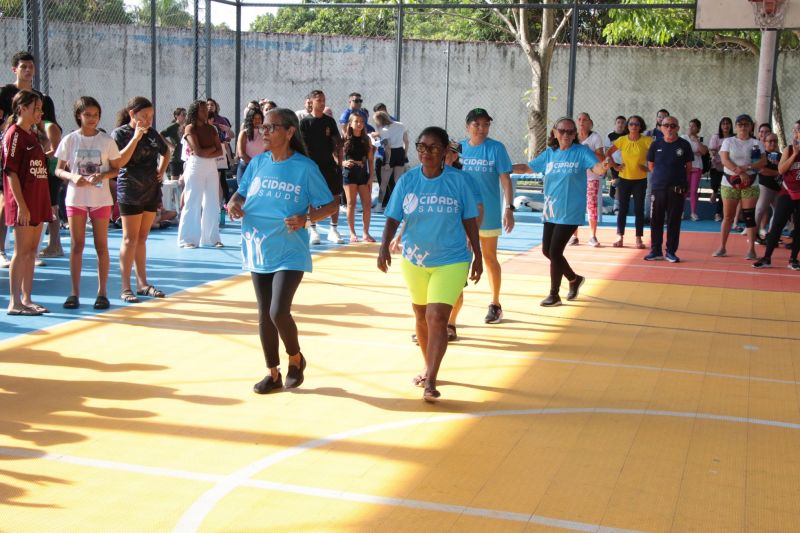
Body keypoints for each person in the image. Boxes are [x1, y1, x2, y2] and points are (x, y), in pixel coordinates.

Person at [227, 108, 338, 394]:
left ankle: (295, 358)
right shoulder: (258, 163)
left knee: (278, 311)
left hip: (290, 249)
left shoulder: (305, 168)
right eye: (263, 127)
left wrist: (308, 219)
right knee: (264, 313)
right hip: (257, 245)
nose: (264, 132)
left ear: (289, 132)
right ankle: (272, 373)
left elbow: (331, 205)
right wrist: (234, 203)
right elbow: (241, 192)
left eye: (271, 127)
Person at [378, 126, 482, 402]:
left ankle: (431, 380)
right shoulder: (408, 181)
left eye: (434, 147)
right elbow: (392, 217)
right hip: (415, 259)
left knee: (437, 317)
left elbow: (470, 219)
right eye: (421, 147)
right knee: (421, 315)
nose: (426, 153)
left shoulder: (459, 181)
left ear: (446, 150)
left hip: (451, 259)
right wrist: (383, 248)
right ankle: (428, 365)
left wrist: (478, 256)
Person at [513, 117, 608, 307]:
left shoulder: (581, 152)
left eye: (570, 132)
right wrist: (503, 168)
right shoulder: (550, 154)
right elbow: (527, 167)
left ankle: (554, 294)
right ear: (555, 133)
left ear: (575, 135)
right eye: (562, 131)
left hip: (570, 210)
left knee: (555, 251)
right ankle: (574, 279)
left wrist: (602, 167)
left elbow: (596, 167)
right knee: (547, 250)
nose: (566, 135)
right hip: (551, 209)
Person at [54, 96, 121, 310]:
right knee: (77, 245)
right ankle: (74, 293)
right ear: (78, 116)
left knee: (101, 245)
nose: (92, 119)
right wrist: (73, 177)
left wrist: (101, 177)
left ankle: (102, 293)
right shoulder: (70, 140)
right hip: (76, 197)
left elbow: (116, 168)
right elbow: (58, 168)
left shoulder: (106, 141)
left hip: (101, 199)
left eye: (95, 115)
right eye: (87, 115)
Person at [0, 51, 57, 269]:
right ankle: (2, 250)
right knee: (7, 202)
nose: (27, 70)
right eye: (23, 66)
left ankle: (33, 251)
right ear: (15, 69)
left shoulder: (40, 99)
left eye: (30, 66)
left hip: (32, 160)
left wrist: (48, 144)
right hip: (10, 156)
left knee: (39, 203)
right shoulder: (5, 95)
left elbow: (48, 127)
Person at [111, 96, 170, 303]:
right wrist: (135, 138)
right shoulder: (120, 134)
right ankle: (125, 286)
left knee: (142, 238)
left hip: (150, 189)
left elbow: (166, 151)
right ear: (132, 115)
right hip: (130, 190)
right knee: (130, 238)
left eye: (151, 116)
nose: (148, 120)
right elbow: (119, 162)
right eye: (143, 116)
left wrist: (161, 171)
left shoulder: (153, 134)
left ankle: (142, 283)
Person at [458, 108, 514, 323]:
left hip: (488, 212)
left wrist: (508, 208)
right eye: (477, 124)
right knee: (460, 259)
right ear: (467, 126)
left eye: (486, 124)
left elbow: (505, 180)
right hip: (463, 215)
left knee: (489, 257)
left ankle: (495, 303)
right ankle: (450, 313)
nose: (481, 129)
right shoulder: (459, 149)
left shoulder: (496, 148)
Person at [3, 90, 50, 315]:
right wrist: (21, 205)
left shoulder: (32, 134)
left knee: (32, 252)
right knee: (21, 251)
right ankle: (14, 302)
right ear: (22, 108)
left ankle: (27, 298)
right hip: (23, 202)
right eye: (36, 108)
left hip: (37, 200)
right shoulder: (14, 134)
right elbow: (10, 171)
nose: (40, 112)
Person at [714, 114, 765, 259]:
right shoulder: (729, 141)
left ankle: (751, 250)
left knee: (749, 216)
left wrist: (747, 167)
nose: (743, 127)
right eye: (740, 124)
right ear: (735, 127)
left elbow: (762, 162)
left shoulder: (756, 143)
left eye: (746, 124)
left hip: (751, 182)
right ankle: (722, 247)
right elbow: (724, 159)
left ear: (751, 127)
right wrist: (739, 172)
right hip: (730, 182)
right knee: (728, 216)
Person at [644, 117, 694, 263]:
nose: (669, 128)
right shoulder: (655, 145)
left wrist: (683, 184)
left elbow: (689, 168)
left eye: (673, 126)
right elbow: (651, 165)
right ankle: (656, 251)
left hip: (676, 189)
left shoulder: (684, 145)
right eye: (666, 125)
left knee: (673, 221)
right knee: (656, 220)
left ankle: (671, 252)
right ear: (661, 127)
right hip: (658, 188)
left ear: (678, 128)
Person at [753, 120, 800, 270]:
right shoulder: (789, 149)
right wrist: (795, 155)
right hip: (787, 192)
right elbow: (781, 170)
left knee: (799, 228)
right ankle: (767, 257)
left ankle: (793, 259)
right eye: (797, 131)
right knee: (777, 224)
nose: (797, 133)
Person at [177, 100, 224, 249]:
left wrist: (206, 151)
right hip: (195, 164)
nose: (205, 112)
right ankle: (187, 239)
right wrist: (210, 150)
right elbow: (197, 151)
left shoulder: (212, 129)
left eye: (205, 110)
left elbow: (220, 151)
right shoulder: (189, 128)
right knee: (193, 201)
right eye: (202, 110)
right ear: (195, 112)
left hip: (211, 166)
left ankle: (211, 238)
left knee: (213, 202)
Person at [300, 89, 344, 245]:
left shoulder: (329, 121)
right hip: (312, 166)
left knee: (335, 196)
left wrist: (340, 161)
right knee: (312, 199)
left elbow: (338, 142)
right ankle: (313, 229)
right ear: (311, 102)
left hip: (328, 165)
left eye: (324, 100)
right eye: (319, 100)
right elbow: (302, 146)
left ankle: (333, 229)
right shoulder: (305, 122)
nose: (322, 102)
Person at [606, 115, 652, 249]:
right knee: (622, 209)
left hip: (640, 180)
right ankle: (620, 237)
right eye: (631, 124)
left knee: (639, 210)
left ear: (640, 126)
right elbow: (608, 152)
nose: (634, 126)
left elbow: (657, 154)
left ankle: (638, 238)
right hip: (624, 179)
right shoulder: (622, 140)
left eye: (636, 124)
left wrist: (649, 167)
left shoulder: (647, 140)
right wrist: (615, 166)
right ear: (628, 126)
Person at [572, 112, 605, 247]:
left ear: (590, 122)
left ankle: (592, 236)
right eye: (579, 119)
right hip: (574, 177)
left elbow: (601, 158)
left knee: (591, 206)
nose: (581, 122)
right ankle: (574, 236)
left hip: (591, 177)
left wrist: (588, 151)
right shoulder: (573, 137)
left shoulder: (595, 137)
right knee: (574, 206)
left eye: (584, 119)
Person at [341, 113, 375, 243]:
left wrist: (371, 176)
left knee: (367, 203)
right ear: (350, 123)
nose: (359, 124)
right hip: (349, 173)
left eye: (362, 121)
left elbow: (371, 160)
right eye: (356, 121)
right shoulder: (344, 138)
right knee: (351, 203)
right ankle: (352, 233)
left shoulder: (366, 139)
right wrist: (343, 163)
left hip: (362, 173)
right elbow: (335, 155)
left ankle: (366, 233)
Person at [34, 111, 63, 259]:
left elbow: (57, 150)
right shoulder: (36, 126)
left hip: (50, 171)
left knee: (53, 207)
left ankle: (55, 245)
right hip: (42, 170)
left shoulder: (49, 126)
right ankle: (55, 244)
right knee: (50, 208)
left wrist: (39, 157)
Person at [371, 110, 409, 212]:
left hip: (390, 154)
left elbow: (387, 148)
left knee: (384, 183)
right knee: (398, 182)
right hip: (400, 152)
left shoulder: (384, 130)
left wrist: (387, 162)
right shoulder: (400, 125)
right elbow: (406, 141)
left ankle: (379, 206)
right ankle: (403, 205)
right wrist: (404, 155)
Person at [755, 133, 782, 243]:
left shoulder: (780, 155)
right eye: (770, 141)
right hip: (764, 186)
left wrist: (779, 166)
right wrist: (778, 172)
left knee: (777, 212)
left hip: (777, 187)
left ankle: (771, 236)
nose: (773, 143)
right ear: (764, 142)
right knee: (760, 209)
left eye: (775, 141)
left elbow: (785, 169)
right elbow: (762, 170)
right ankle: (754, 235)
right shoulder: (761, 155)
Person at [682, 118, 708, 222]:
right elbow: (682, 152)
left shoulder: (700, 139)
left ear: (698, 129)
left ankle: (693, 212)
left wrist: (696, 140)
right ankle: (681, 212)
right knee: (683, 190)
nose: (690, 128)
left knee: (693, 191)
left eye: (693, 126)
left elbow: (703, 152)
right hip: (685, 167)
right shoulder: (683, 138)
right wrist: (693, 152)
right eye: (689, 125)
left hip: (697, 167)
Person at [708, 117, 733, 222]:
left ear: (731, 126)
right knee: (715, 185)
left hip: (727, 168)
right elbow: (711, 150)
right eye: (723, 124)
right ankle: (714, 191)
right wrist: (714, 155)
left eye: (728, 124)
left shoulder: (733, 138)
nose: (726, 126)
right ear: (720, 126)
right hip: (716, 166)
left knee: (723, 192)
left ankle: (718, 214)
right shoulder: (716, 137)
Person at [235, 107, 265, 183]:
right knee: (243, 194)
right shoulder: (244, 133)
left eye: (259, 118)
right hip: (246, 167)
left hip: (261, 168)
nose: (257, 120)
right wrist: (255, 164)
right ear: (250, 119)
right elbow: (242, 154)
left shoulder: (265, 133)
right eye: (254, 118)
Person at [605, 115, 628, 213]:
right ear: (615, 124)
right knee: (617, 183)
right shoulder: (610, 136)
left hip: (625, 164)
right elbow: (606, 150)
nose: (620, 125)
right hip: (614, 163)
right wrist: (611, 164)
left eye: (623, 123)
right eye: (618, 122)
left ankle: (617, 207)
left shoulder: (628, 135)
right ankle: (616, 204)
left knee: (621, 184)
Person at [160, 107, 186, 180]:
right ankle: (174, 192)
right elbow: (160, 134)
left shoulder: (187, 126)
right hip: (176, 158)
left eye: (185, 114)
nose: (185, 116)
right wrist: (170, 145)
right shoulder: (173, 127)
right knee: (174, 180)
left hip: (184, 158)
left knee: (185, 180)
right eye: (183, 114)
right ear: (176, 116)